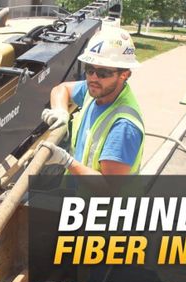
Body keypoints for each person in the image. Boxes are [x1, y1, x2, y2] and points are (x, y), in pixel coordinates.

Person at [39, 27, 144, 176]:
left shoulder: (123, 127)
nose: (93, 78)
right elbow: (61, 89)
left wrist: (66, 161)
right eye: (89, 69)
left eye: (103, 73)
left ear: (124, 75)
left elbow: (109, 188)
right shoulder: (96, 90)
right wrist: (60, 111)